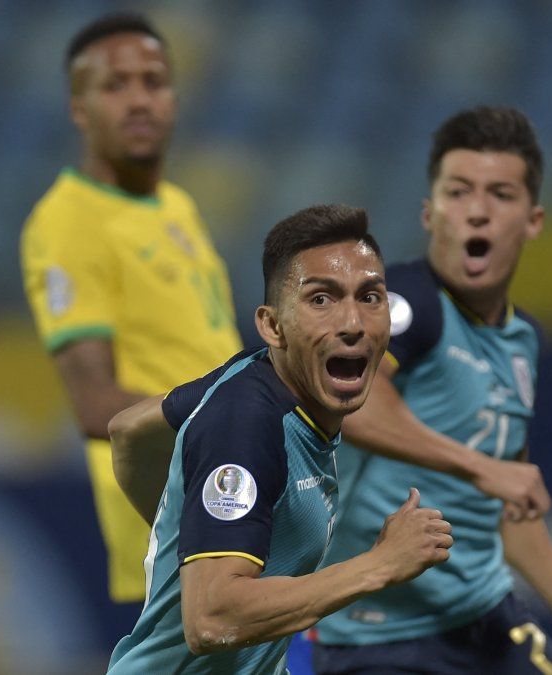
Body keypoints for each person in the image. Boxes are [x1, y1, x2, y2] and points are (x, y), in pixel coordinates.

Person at [156, 107, 552, 674]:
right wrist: (477, 467)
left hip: (482, 614)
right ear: (430, 212)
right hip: (376, 635)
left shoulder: (522, 340)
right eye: (458, 192)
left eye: (500, 194)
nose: (477, 211)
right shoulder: (403, 308)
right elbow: (359, 404)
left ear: (533, 219)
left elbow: (510, 499)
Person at [106, 204, 453, 674]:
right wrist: (381, 564)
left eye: (371, 297)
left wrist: (201, 527)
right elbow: (211, 619)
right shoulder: (246, 421)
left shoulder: (257, 376)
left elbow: (128, 430)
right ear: (272, 326)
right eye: (321, 300)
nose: (353, 323)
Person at [19, 12, 243, 605]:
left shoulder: (176, 206)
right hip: (172, 526)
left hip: (232, 501)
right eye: (115, 85)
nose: (139, 99)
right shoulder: (69, 223)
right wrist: (236, 427)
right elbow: (95, 403)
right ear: (79, 108)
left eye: (154, 81)